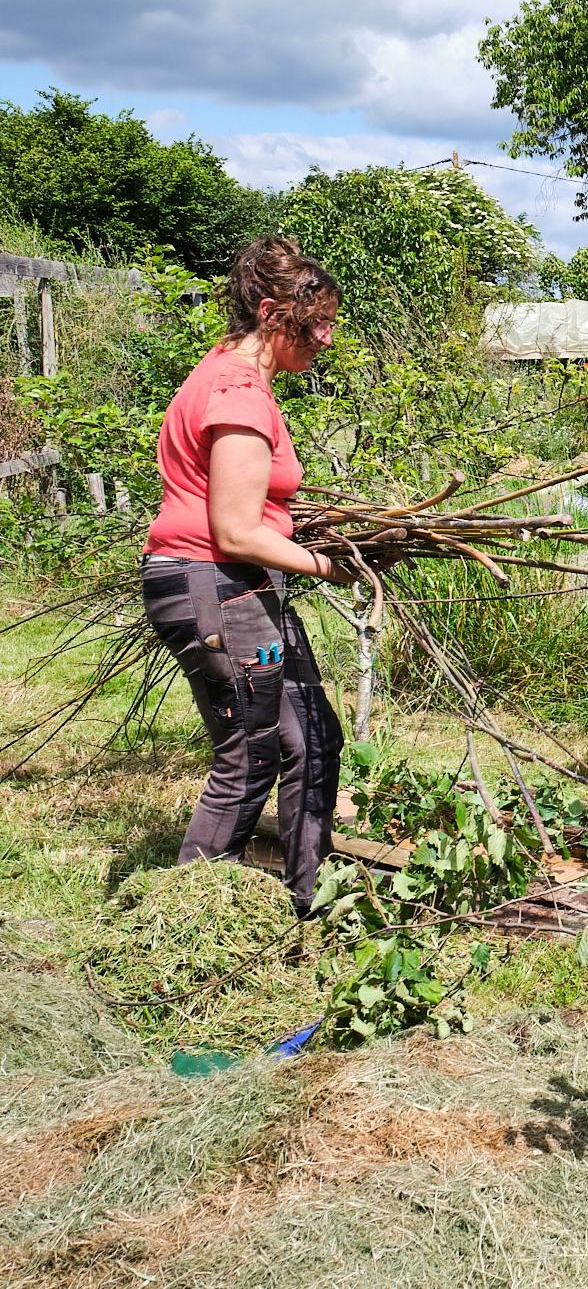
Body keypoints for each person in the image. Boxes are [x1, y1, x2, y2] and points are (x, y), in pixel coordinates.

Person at [140, 235, 358, 916]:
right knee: (252, 752)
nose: (325, 338)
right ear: (271, 313)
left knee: (314, 735)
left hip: (235, 586)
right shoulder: (236, 392)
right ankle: (190, 924)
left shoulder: (232, 378)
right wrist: (330, 565)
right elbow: (234, 530)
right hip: (215, 587)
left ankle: (306, 900)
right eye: (314, 322)